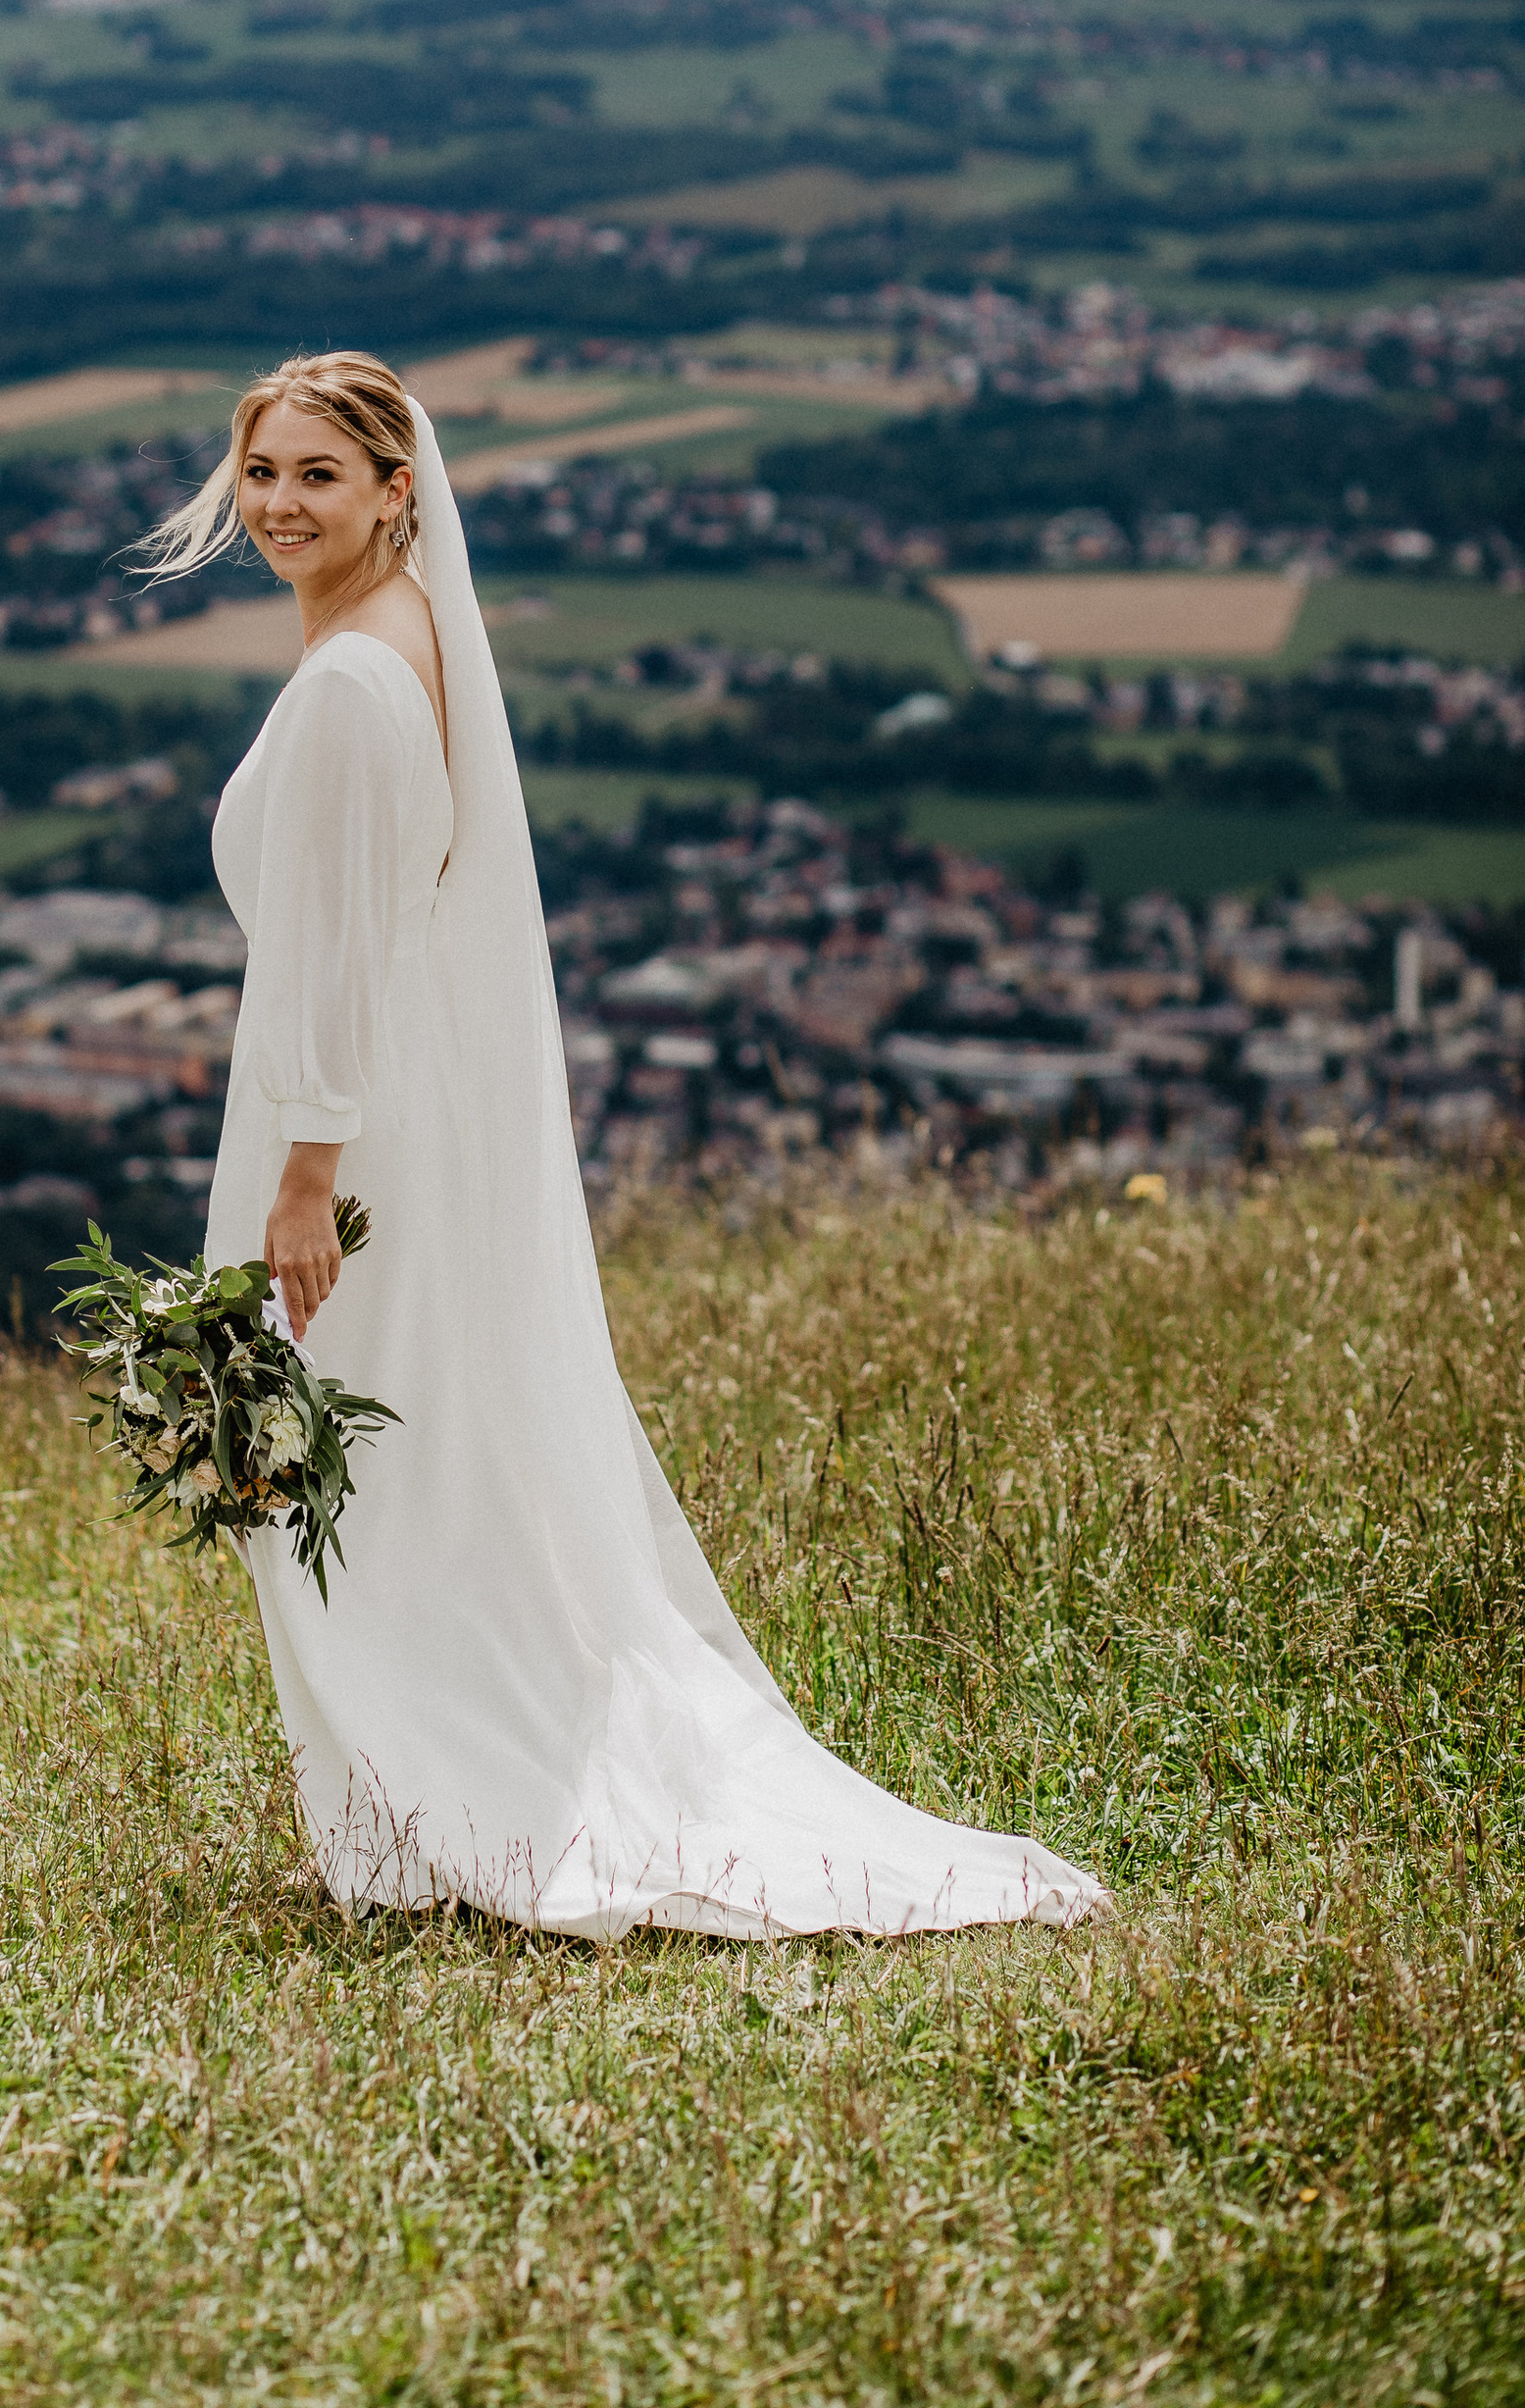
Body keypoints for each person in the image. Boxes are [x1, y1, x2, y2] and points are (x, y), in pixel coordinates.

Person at [132, 349, 1109, 1941]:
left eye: (319, 474)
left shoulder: (355, 685)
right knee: (407, 1454)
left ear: (397, 489)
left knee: (360, 1467)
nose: (280, 505)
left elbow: (333, 952)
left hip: (338, 1138)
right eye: (260, 473)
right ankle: (416, 1793)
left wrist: (305, 1181)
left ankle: (432, 1804)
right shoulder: (417, 640)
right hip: (386, 1115)